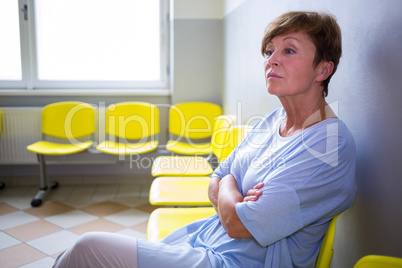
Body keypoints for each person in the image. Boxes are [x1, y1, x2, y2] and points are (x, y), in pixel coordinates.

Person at [53, 11, 356, 268]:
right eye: (269, 51)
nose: (271, 61)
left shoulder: (328, 145)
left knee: (87, 249)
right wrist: (232, 193)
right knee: (69, 256)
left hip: (232, 263)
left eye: (288, 51)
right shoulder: (272, 121)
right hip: (205, 241)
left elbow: (239, 225)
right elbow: (218, 176)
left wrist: (231, 192)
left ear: (323, 69)